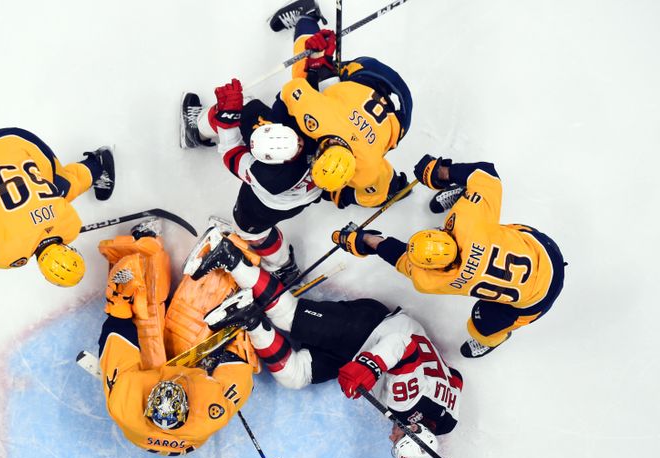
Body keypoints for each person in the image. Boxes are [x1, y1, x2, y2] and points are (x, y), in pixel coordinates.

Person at [188, 227, 462, 458]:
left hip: (359, 350)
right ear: (413, 427)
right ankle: (228, 255)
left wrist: (369, 368)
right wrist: (370, 367)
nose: (391, 436)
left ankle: (249, 317)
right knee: (288, 316)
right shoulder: (403, 402)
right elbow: (404, 345)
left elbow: (455, 380)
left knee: (295, 377)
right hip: (371, 327)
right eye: (398, 438)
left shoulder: (446, 420)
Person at [332, 155, 566, 358]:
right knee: (484, 208)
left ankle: (492, 339)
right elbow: (487, 174)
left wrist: (365, 241)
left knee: (481, 327)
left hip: (537, 298)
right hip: (543, 250)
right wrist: (441, 172)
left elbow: (401, 257)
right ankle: (469, 196)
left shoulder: (432, 280)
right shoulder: (468, 222)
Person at [96, 222, 256, 455]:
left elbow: (114, 342)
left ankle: (142, 250)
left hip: (146, 395)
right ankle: (230, 259)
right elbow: (240, 370)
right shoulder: (209, 413)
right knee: (193, 325)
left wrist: (120, 305)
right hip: (191, 393)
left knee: (145, 316)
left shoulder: (125, 403)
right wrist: (237, 332)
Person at [0, 127, 115, 288]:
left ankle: (96, 165)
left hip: (23, 142)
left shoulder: (70, 225)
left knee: (63, 188)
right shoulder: (7, 251)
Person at [269, 0, 412, 209]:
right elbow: (293, 90)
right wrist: (319, 62)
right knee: (305, 70)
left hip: (401, 107)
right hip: (374, 82)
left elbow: (381, 188)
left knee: (312, 77)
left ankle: (308, 19)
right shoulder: (320, 120)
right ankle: (307, 17)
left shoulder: (367, 170)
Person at [180, 81, 322, 285]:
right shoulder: (309, 133)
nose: (300, 142)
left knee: (251, 232)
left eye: (297, 144)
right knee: (242, 104)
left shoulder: (269, 177)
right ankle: (197, 130)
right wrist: (317, 62)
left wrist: (228, 120)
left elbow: (231, 153)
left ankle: (282, 266)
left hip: (269, 205)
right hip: (312, 185)